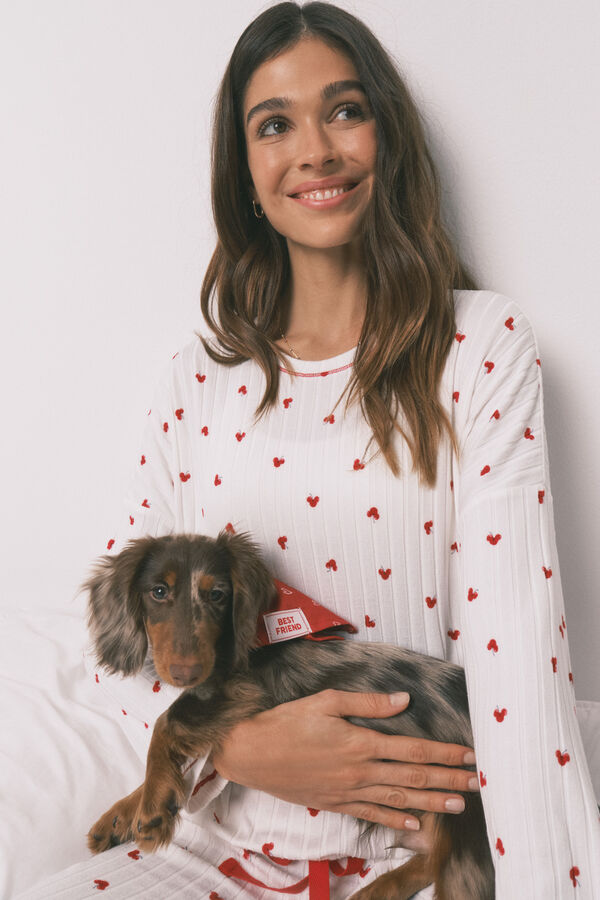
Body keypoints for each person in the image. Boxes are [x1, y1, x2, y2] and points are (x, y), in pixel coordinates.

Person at [21, 2, 600, 898]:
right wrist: (241, 740)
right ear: (244, 169)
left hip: (406, 862)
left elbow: (520, 661)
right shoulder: (194, 380)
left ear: (388, 138)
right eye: (274, 124)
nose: (316, 151)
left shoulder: (480, 349)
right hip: (210, 851)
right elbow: (127, 654)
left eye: (345, 110)